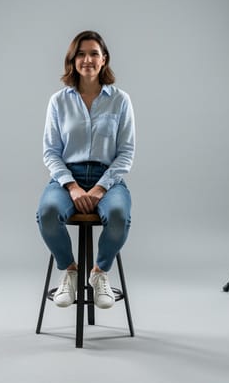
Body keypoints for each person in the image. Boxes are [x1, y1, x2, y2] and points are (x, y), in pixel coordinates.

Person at [36, 30, 135, 310]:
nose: (87, 59)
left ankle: (99, 273)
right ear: (72, 60)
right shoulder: (59, 101)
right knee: (47, 214)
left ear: (104, 60)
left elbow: (126, 152)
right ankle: (70, 270)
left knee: (118, 215)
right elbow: (51, 152)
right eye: (81, 53)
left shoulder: (120, 100)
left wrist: (102, 186)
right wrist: (72, 186)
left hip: (109, 178)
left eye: (94, 53)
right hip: (67, 178)